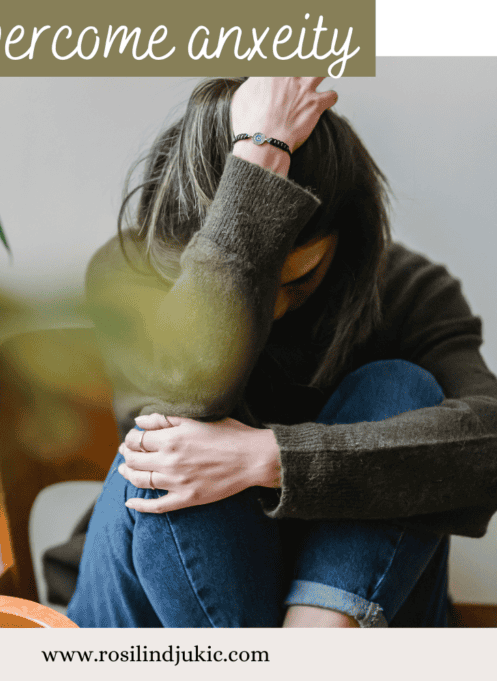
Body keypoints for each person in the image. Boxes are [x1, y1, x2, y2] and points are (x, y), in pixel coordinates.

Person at [63, 76, 497, 628]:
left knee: (400, 387)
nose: (274, 310)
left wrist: (269, 459)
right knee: (164, 448)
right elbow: (186, 394)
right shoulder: (129, 270)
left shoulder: (406, 289)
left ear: (349, 239)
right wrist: (260, 160)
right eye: (259, 282)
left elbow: (489, 446)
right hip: (155, 614)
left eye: (300, 279)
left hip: (345, 619)